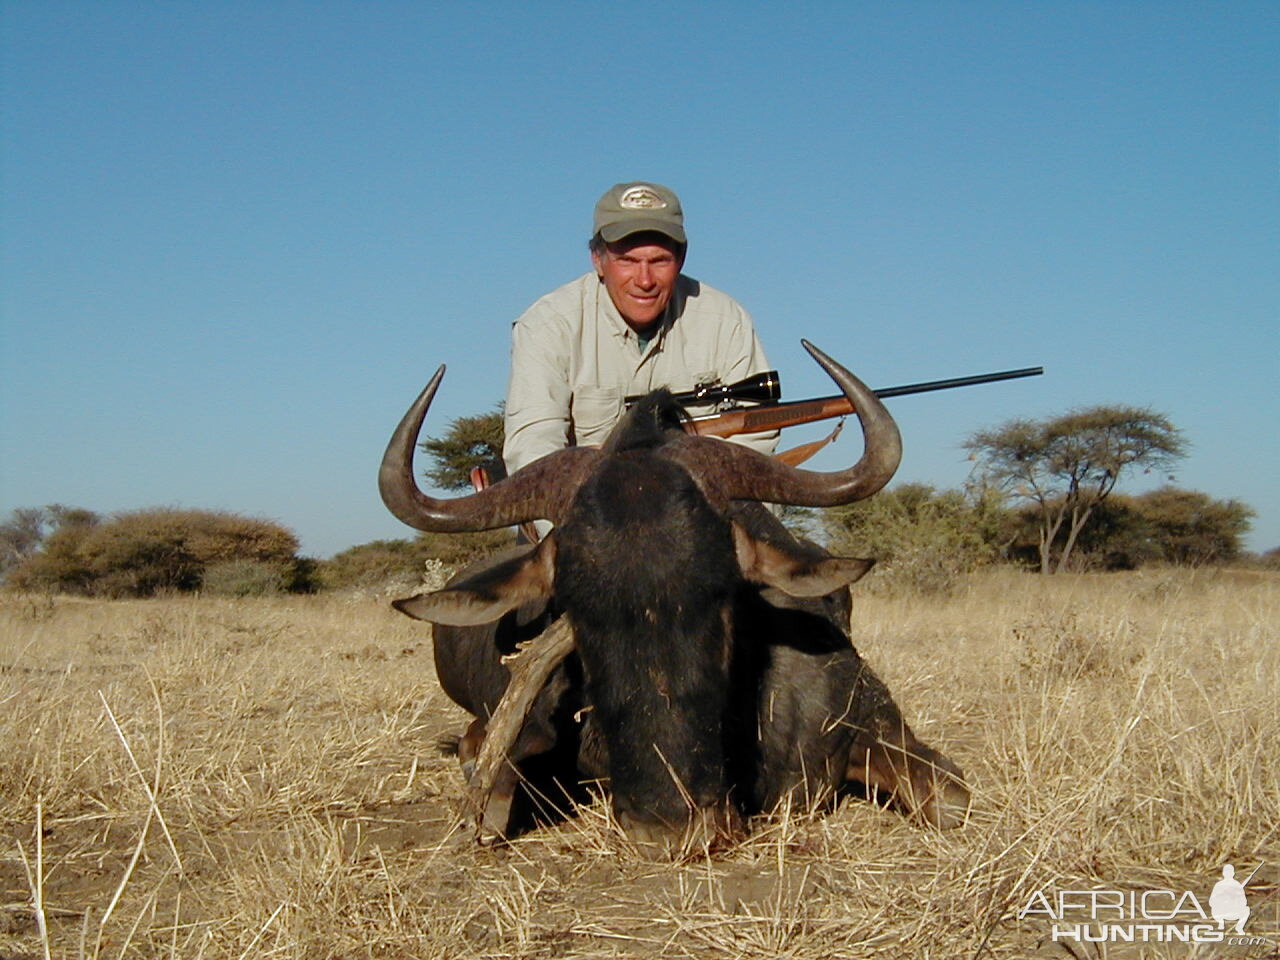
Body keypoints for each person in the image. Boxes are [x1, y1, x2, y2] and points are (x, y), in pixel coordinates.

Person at [502, 181, 778, 483]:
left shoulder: (726, 320)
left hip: (698, 513)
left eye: (659, 261)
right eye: (628, 261)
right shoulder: (548, 325)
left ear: (681, 259)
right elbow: (534, 448)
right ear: (598, 259)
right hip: (583, 517)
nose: (644, 280)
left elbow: (755, 444)